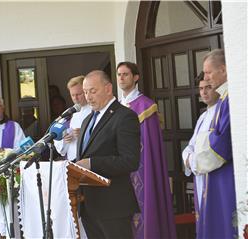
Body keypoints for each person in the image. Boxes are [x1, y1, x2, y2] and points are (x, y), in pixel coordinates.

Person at [76, 70, 140, 238]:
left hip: (113, 207)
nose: (88, 97)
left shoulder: (124, 117)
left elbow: (130, 161)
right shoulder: (86, 120)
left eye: (93, 91)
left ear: (108, 88)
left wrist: (92, 163)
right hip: (88, 205)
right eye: (85, 92)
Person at [116, 62, 176, 239]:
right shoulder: (117, 107)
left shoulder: (146, 106)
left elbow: (149, 144)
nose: (121, 78)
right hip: (121, 168)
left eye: (125, 74)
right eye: (119, 74)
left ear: (136, 77)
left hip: (141, 168)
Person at [193, 49, 237, 238]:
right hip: (218, 172)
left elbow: (220, 142)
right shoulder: (224, 99)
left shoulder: (230, 99)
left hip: (227, 173)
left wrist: (195, 158)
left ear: (224, 70)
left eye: (209, 72)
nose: (206, 77)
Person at [182, 74, 219, 234]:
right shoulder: (203, 117)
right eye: (201, 89)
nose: (204, 92)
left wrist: (192, 161)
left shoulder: (222, 112)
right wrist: (189, 159)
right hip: (200, 179)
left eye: (208, 87)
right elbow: (190, 146)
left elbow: (217, 150)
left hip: (215, 179)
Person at [54, 75, 91, 161]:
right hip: (72, 160)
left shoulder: (95, 110)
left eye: (78, 94)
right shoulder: (69, 112)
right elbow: (58, 140)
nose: (75, 98)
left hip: (89, 159)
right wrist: (64, 139)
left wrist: (84, 134)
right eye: (72, 95)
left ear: (86, 91)